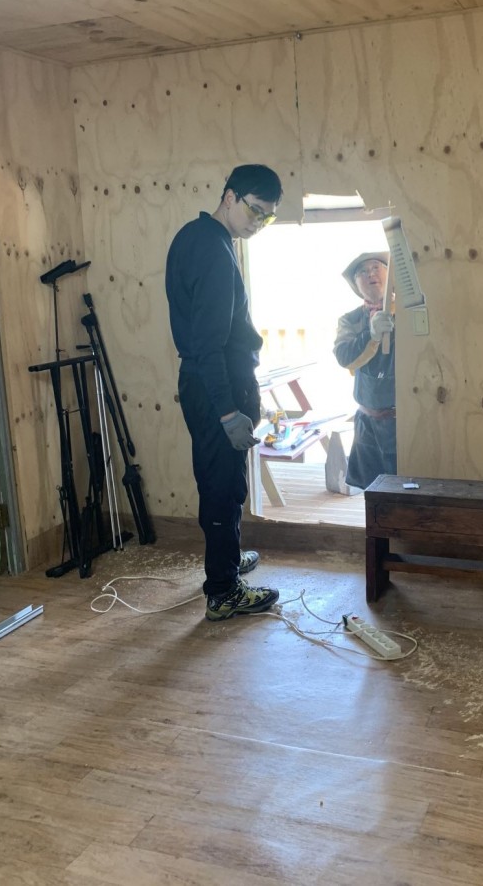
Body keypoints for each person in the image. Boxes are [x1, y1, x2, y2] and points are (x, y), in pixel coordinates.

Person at [165, 164, 282, 621]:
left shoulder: (196, 237)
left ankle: (226, 560)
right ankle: (223, 591)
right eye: (255, 211)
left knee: (219, 481)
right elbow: (208, 344)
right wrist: (228, 411)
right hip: (218, 385)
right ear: (230, 197)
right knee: (223, 487)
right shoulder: (214, 251)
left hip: (206, 382)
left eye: (267, 217)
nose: (258, 223)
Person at [334, 251, 396, 489]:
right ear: (356, 285)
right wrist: (371, 334)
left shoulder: (410, 313)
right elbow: (344, 357)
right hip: (368, 423)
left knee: (407, 492)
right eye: (362, 272)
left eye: (376, 267)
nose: (370, 274)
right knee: (372, 494)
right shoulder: (350, 321)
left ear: (389, 274)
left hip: (405, 424)